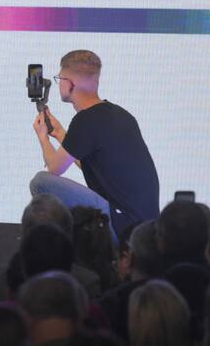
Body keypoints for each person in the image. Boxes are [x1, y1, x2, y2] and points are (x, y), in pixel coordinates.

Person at [29, 50, 159, 237]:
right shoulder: (118, 114)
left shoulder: (86, 121)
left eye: (59, 79)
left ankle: (56, 247)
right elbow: (95, 166)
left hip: (122, 225)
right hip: (143, 227)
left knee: (40, 182)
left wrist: (42, 137)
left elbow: (54, 168)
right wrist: (58, 133)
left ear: (70, 84)